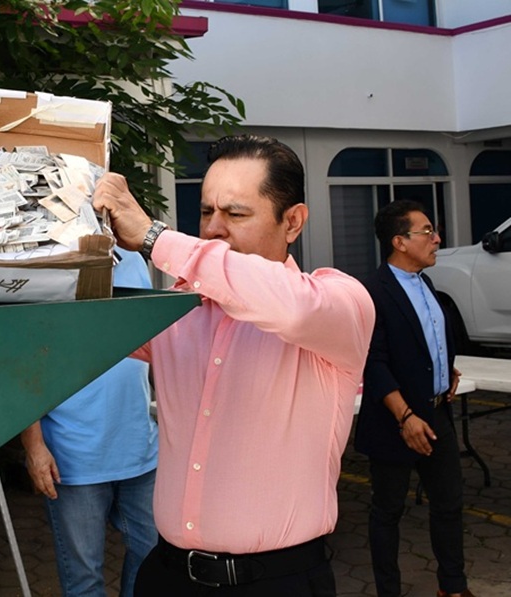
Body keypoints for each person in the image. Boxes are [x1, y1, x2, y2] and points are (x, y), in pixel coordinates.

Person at [91, 134, 375, 596]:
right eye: (206, 212)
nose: (213, 230)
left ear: (294, 222)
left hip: (276, 583)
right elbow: (81, 326)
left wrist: (154, 237)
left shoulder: (337, 303)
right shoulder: (180, 309)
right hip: (166, 575)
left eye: (236, 213)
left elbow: (292, 309)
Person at [20, 249, 158, 597]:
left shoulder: (134, 261)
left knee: (155, 558)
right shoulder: (46, 263)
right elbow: (24, 363)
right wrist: (34, 446)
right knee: (84, 579)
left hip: (140, 446)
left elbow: (153, 339)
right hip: (73, 455)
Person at [354, 200, 472, 597]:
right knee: (387, 512)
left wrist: (444, 370)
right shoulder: (373, 291)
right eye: (427, 232)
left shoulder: (426, 282)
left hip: (436, 414)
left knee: (449, 504)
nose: (437, 239)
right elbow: (373, 360)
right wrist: (405, 416)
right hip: (396, 421)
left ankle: (452, 588)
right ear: (399, 242)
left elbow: (424, 340)